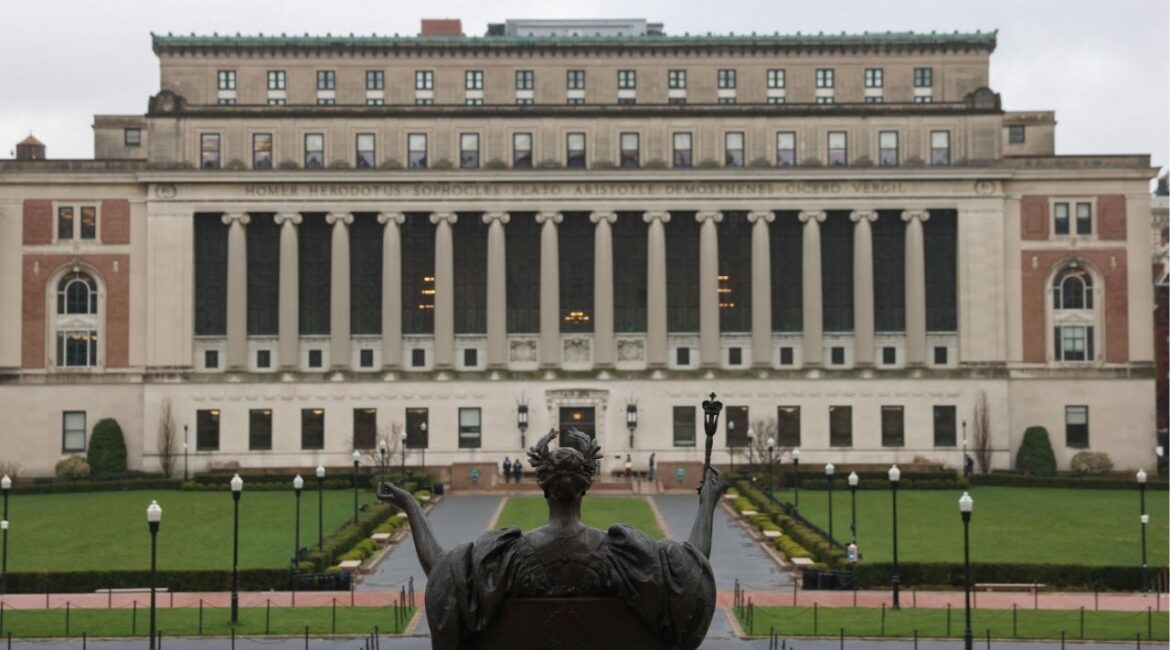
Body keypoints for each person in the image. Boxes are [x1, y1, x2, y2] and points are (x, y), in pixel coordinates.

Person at [378, 428, 720, 650]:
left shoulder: (505, 558)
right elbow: (690, 578)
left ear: (543, 488)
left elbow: (442, 576)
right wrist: (707, 503)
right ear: (586, 487)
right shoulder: (623, 557)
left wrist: (411, 507)